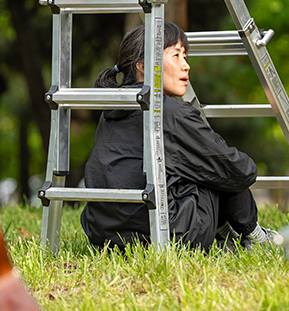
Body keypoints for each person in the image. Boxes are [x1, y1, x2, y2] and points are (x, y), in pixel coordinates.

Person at [80, 22, 278, 252]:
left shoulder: (112, 109)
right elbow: (238, 170)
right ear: (143, 66)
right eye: (176, 55)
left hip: (106, 238)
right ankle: (255, 238)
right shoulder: (169, 112)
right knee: (221, 165)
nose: (186, 66)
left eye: (185, 56)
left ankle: (228, 233)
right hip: (166, 236)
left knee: (203, 161)